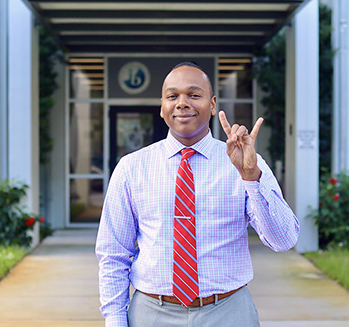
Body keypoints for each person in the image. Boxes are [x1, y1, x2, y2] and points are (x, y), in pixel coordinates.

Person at [96, 62, 300, 327]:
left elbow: (284, 240)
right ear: (162, 106)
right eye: (172, 96)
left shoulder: (246, 163)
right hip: (152, 313)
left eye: (194, 95)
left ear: (213, 104)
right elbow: (113, 252)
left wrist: (251, 177)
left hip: (229, 312)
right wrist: (114, 319)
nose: (182, 103)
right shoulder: (132, 167)